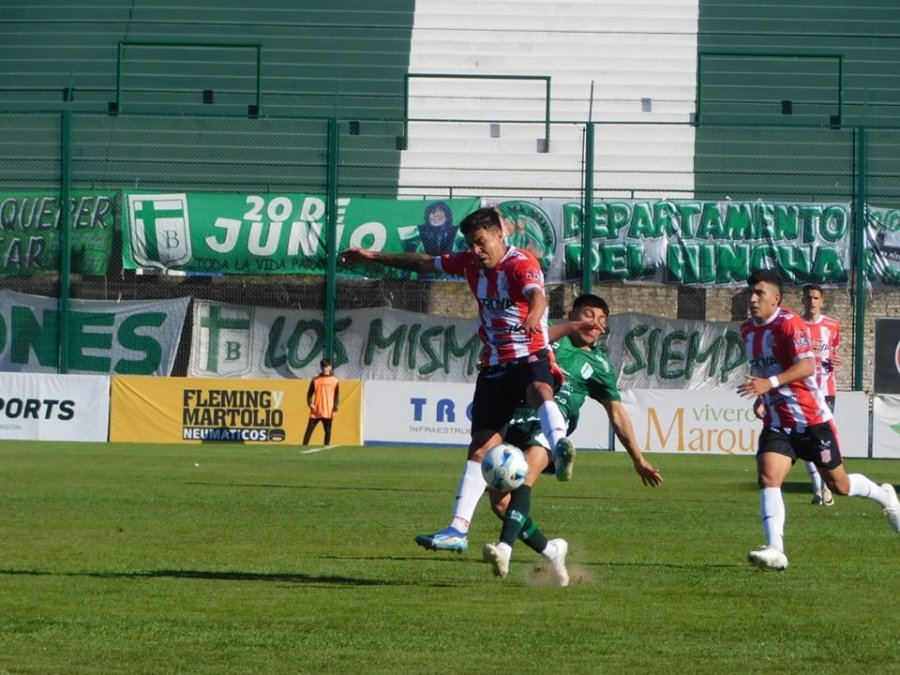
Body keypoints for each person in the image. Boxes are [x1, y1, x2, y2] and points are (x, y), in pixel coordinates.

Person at [341, 206, 577, 554]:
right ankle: (457, 530)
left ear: (499, 234)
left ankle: (560, 446)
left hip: (530, 355)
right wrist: (371, 256)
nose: (476, 250)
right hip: (495, 366)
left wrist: (536, 317)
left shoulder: (521, 263)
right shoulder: (468, 263)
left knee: (540, 389)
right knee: (479, 450)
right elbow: (422, 262)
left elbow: (537, 296)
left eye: (481, 242)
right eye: (471, 244)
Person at [482, 294, 664, 584]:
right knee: (500, 504)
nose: (595, 323)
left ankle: (504, 548)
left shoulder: (600, 365)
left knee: (525, 476)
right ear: (571, 315)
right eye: (589, 315)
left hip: (551, 426)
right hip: (516, 416)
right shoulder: (548, 334)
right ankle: (552, 550)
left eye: (602, 320)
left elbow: (617, 414)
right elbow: (511, 348)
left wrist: (638, 459)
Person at [736, 269, 900, 570]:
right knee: (768, 477)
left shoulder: (790, 325)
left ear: (776, 299)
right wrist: (763, 396)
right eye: (751, 292)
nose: (753, 298)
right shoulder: (748, 330)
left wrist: (769, 384)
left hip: (812, 419)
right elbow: (762, 370)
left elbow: (808, 366)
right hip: (778, 420)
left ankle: (884, 496)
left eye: (760, 293)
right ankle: (776, 549)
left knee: (839, 485)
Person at [800, 283, 842, 506]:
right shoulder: (796, 325)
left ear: (822, 301)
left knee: (822, 439)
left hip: (826, 391)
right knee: (807, 440)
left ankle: (825, 489)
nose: (812, 302)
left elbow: (835, 353)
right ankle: (819, 490)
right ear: (803, 301)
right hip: (803, 390)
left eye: (816, 298)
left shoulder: (832, 326)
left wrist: (837, 360)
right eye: (808, 298)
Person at [302, 359, 340, 445]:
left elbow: (337, 396)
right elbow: (309, 394)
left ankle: (326, 449)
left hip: (328, 411)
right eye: (323, 366)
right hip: (316, 411)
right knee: (309, 431)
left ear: (330, 367)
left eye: (326, 366)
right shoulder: (315, 380)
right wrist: (310, 404)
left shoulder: (335, 380)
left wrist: (335, 410)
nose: (324, 368)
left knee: (328, 432)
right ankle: (303, 448)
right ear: (321, 367)